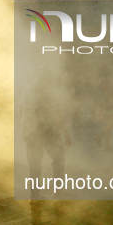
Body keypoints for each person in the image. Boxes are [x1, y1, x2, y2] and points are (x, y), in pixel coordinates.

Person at [19, 66, 71, 200]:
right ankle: (58, 191)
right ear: (46, 78)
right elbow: (56, 114)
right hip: (47, 131)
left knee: (34, 164)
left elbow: (20, 111)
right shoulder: (46, 91)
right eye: (48, 78)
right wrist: (65, 133)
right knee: (58, 159)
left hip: (30, 131)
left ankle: (34, 194)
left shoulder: (27, 90)